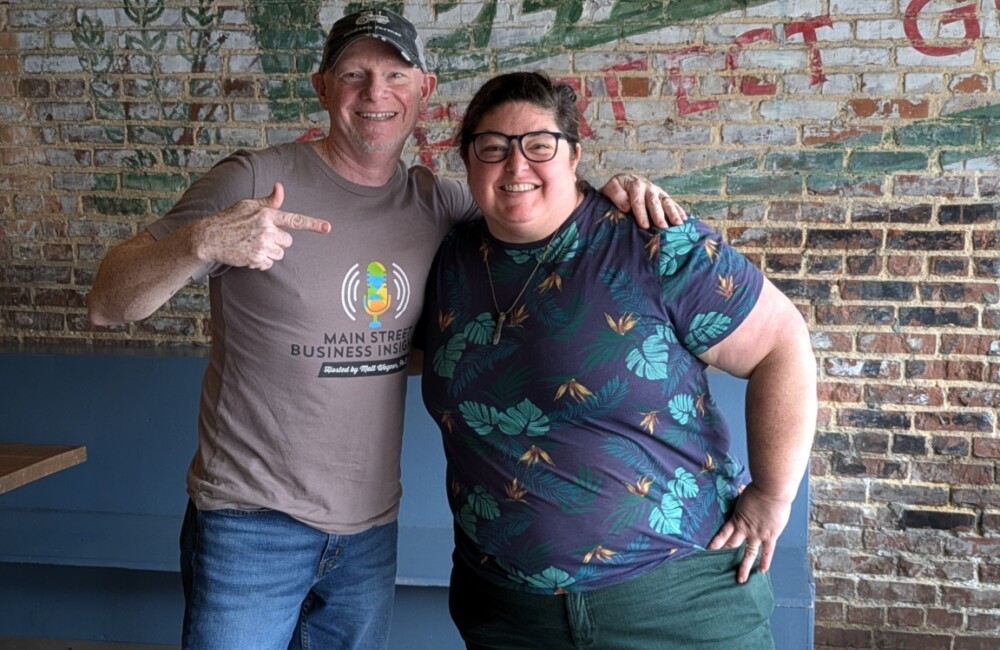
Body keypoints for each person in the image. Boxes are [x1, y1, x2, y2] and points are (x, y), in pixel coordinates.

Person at [86, 9, 687, 650]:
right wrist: (201, 240)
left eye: (395, 74)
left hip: (370, 531)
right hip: (248, 523)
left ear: (423, 90)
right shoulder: (255, 180)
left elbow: (538, 214)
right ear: (323, 87)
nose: (376, 93)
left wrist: (611, 193)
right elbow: (107, 303)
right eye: (355, 74)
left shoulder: (439, 205)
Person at [416, 71, 817, 649]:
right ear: (468, 159)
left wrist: (774, 496)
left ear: (574, 154)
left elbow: (783, 342)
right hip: (505, 612)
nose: (516, 164)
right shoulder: (449, 257)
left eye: (539, 144)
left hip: (675, 603)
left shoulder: (652, 242)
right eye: (493, 147)